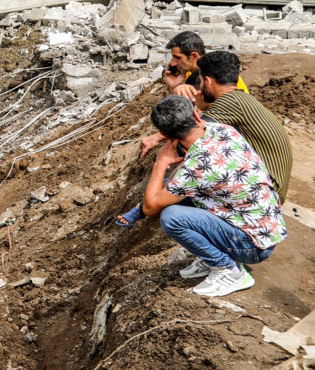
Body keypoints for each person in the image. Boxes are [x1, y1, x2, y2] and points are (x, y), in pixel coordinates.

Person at [117, 95, 285, 297]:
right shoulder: (222, 130)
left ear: (166, 135)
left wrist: (160, 163)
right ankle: (213, 255)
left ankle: (229, 270)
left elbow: (151, 208)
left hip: (253, 247)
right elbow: (175, 185)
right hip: (267, 227)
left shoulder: (196, 167)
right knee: (170, 190)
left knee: (172, 217)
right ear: (196, 116)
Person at [198, 50, 292, 202]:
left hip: (266, 193)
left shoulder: (230, 102)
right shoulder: (240, 98)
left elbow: (190, 135)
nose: (200, 87)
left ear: (208, 81)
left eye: (201, 81)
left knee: (181, 189)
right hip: (269, 186)